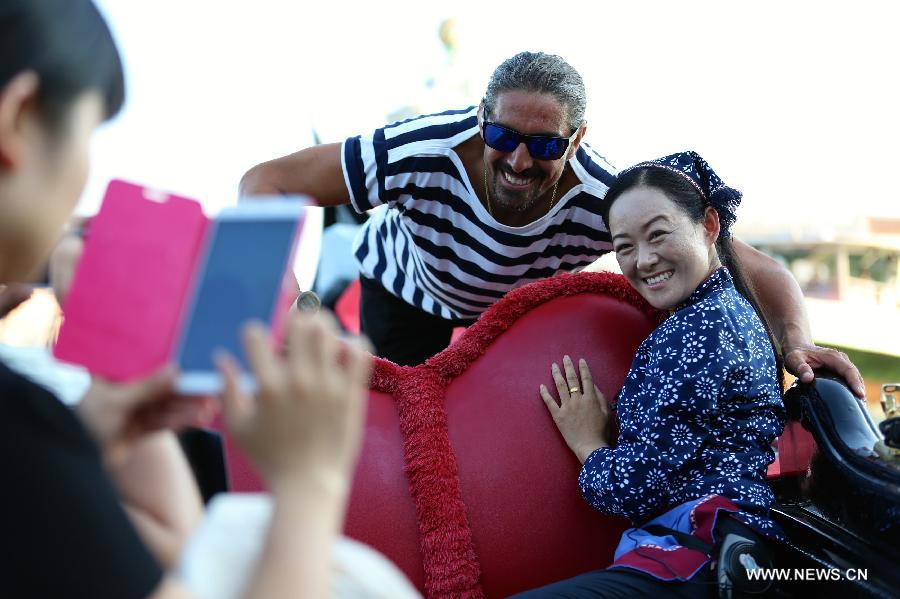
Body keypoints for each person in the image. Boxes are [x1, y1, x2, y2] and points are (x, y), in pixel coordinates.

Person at [0, 2, 372, 598]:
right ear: (18, 117)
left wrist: (93, 427)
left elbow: (168, 549)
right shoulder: (18, 422)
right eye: (91, 132)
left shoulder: (28, 429)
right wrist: (311, 483)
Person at [239, 52, 866, 398]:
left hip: (509, 315)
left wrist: (795, 345)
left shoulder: (606, 194)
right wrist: (291, 303)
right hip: (407, 291)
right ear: (480, 116)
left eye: (543, 146)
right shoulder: (418, 150)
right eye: (501, 135)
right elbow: (264, 181)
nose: (516, 160)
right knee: (405, 409)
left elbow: (760, 269)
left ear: (577, 141)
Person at [519, 151, 786, 597]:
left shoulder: (701, 330)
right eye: (624, 246)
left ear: (709, 226)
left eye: (658, 235)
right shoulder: (720, 313)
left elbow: (633, 489)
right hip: (714, 548)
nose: (642, 260)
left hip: (696, 554)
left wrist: (589, 442)